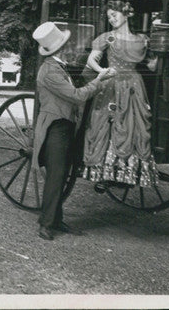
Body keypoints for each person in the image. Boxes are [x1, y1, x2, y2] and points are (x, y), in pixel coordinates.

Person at [32, 21, 116, 240]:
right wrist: (99, 80)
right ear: (61, 49)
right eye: (66, 45)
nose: (71, 48)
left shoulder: (58, 66)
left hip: (65, 125)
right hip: (55, 127)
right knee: (56, 175)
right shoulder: (50, 71)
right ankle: (46, 224)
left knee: (61, 175)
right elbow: (77, 96)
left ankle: (56, 220)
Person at [80, 0, 159, 189]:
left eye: (115, 14)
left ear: (126, 14)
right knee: (108, 122)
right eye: (109, 16)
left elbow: (152, 65)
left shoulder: (142, 40)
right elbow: (91, 60)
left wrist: (159, 57)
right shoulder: (109, 38)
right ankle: (105, 173)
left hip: (134, 86)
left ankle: (127, 173)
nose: (112, 19)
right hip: (112, 85)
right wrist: (103, 70)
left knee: (133, 125)